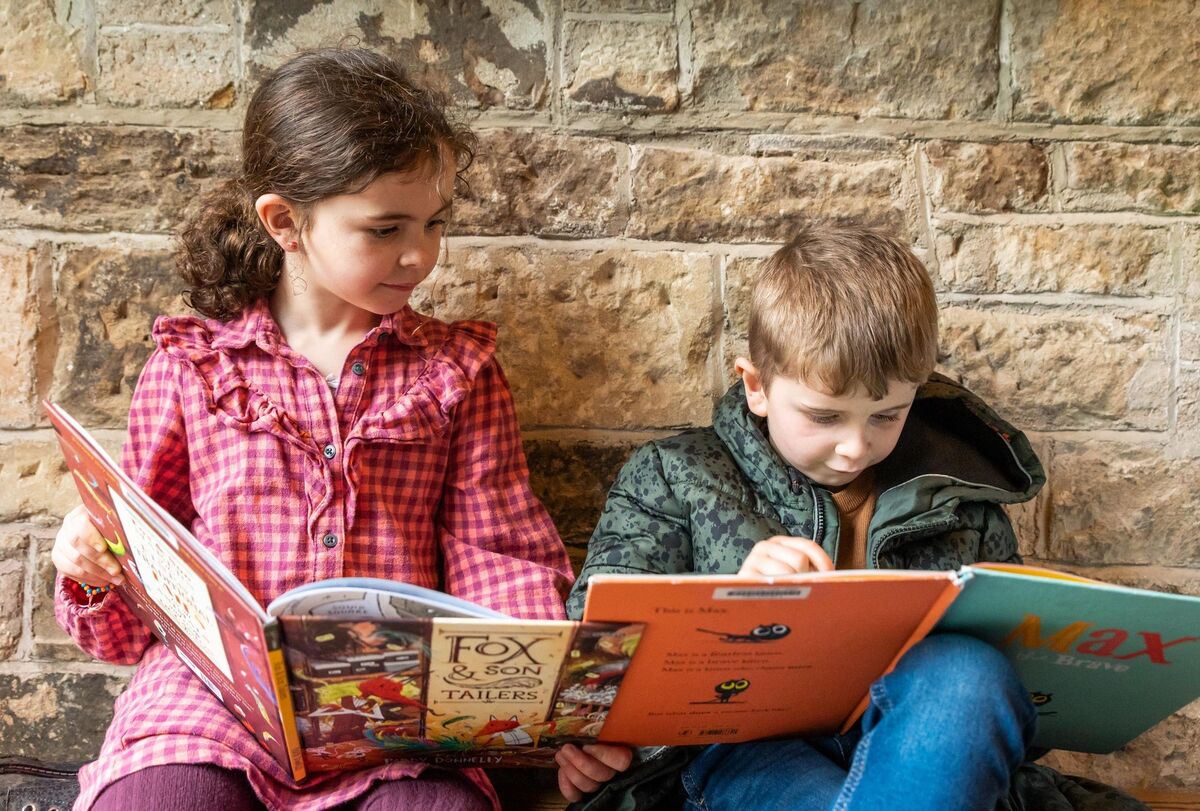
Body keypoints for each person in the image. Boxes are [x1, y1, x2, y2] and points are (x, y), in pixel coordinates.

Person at [51, 48, 629, 811]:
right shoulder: (193, 367)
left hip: (394, 721)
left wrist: (549, 697)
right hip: (207, 710)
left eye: (432, 223)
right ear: (286, 222)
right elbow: (135, 601)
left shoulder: (455, 373)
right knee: (161, 799)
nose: (419, 254)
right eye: (385, 228)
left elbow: (499, 561)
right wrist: (92, 562)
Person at [564, 221, 1048, 811]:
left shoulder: (961, 500)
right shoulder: (675, 475)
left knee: (970, 671)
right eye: (824, 417)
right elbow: (593, 658)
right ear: (757, 386)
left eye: (886, 416)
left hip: (922, 745)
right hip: (740, 754)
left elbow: (1012, 714)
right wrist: (728, 598)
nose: (854, 447)